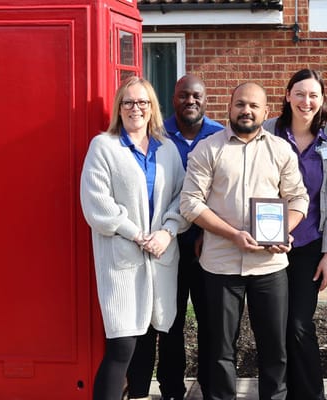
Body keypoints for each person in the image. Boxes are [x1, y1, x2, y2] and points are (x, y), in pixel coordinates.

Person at [180, 82, 309, 400]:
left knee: (274, 348)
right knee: (221, 349)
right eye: (240, 104)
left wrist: (285, 231)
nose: (246, 110)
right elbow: (190, 204)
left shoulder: (280, 150)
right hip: (221, 264)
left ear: (266, 112)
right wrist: (233, 235)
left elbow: (298, 199)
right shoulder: (208, 149)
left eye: (253, 105)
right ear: (229, 107)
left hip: (270, 265)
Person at [80, 76, 189, 400]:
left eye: (142, 102)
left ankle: (139, 396)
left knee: (148, 342)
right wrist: (139, 235)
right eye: (128, 102)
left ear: (152, 107)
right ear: (119, 108)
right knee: (122, 346)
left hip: (161, 260)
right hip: (123, 262)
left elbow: (181, 197)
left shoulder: (167, 148)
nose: (135, 108)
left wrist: (167, 232)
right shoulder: (104, 146)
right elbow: (97, 205)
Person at [125, 74, 225, 400]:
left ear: (205, 99)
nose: (190, 101)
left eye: (196, 96)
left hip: (209, 246)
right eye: (184, 96)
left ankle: (211, 388)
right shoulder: (158, 134)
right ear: (173, 99)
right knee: (168, 323)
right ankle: (171, 389)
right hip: (166, 246)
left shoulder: (221, 136)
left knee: (212, 324)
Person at [261, 68, 327, 400]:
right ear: (287, 96)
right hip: (271, 243)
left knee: (299, 324)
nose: (306, 101)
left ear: (322, 100)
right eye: (299, 93)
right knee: (275, 326)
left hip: (310, 243)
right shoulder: (269, 130)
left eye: (313, 95)